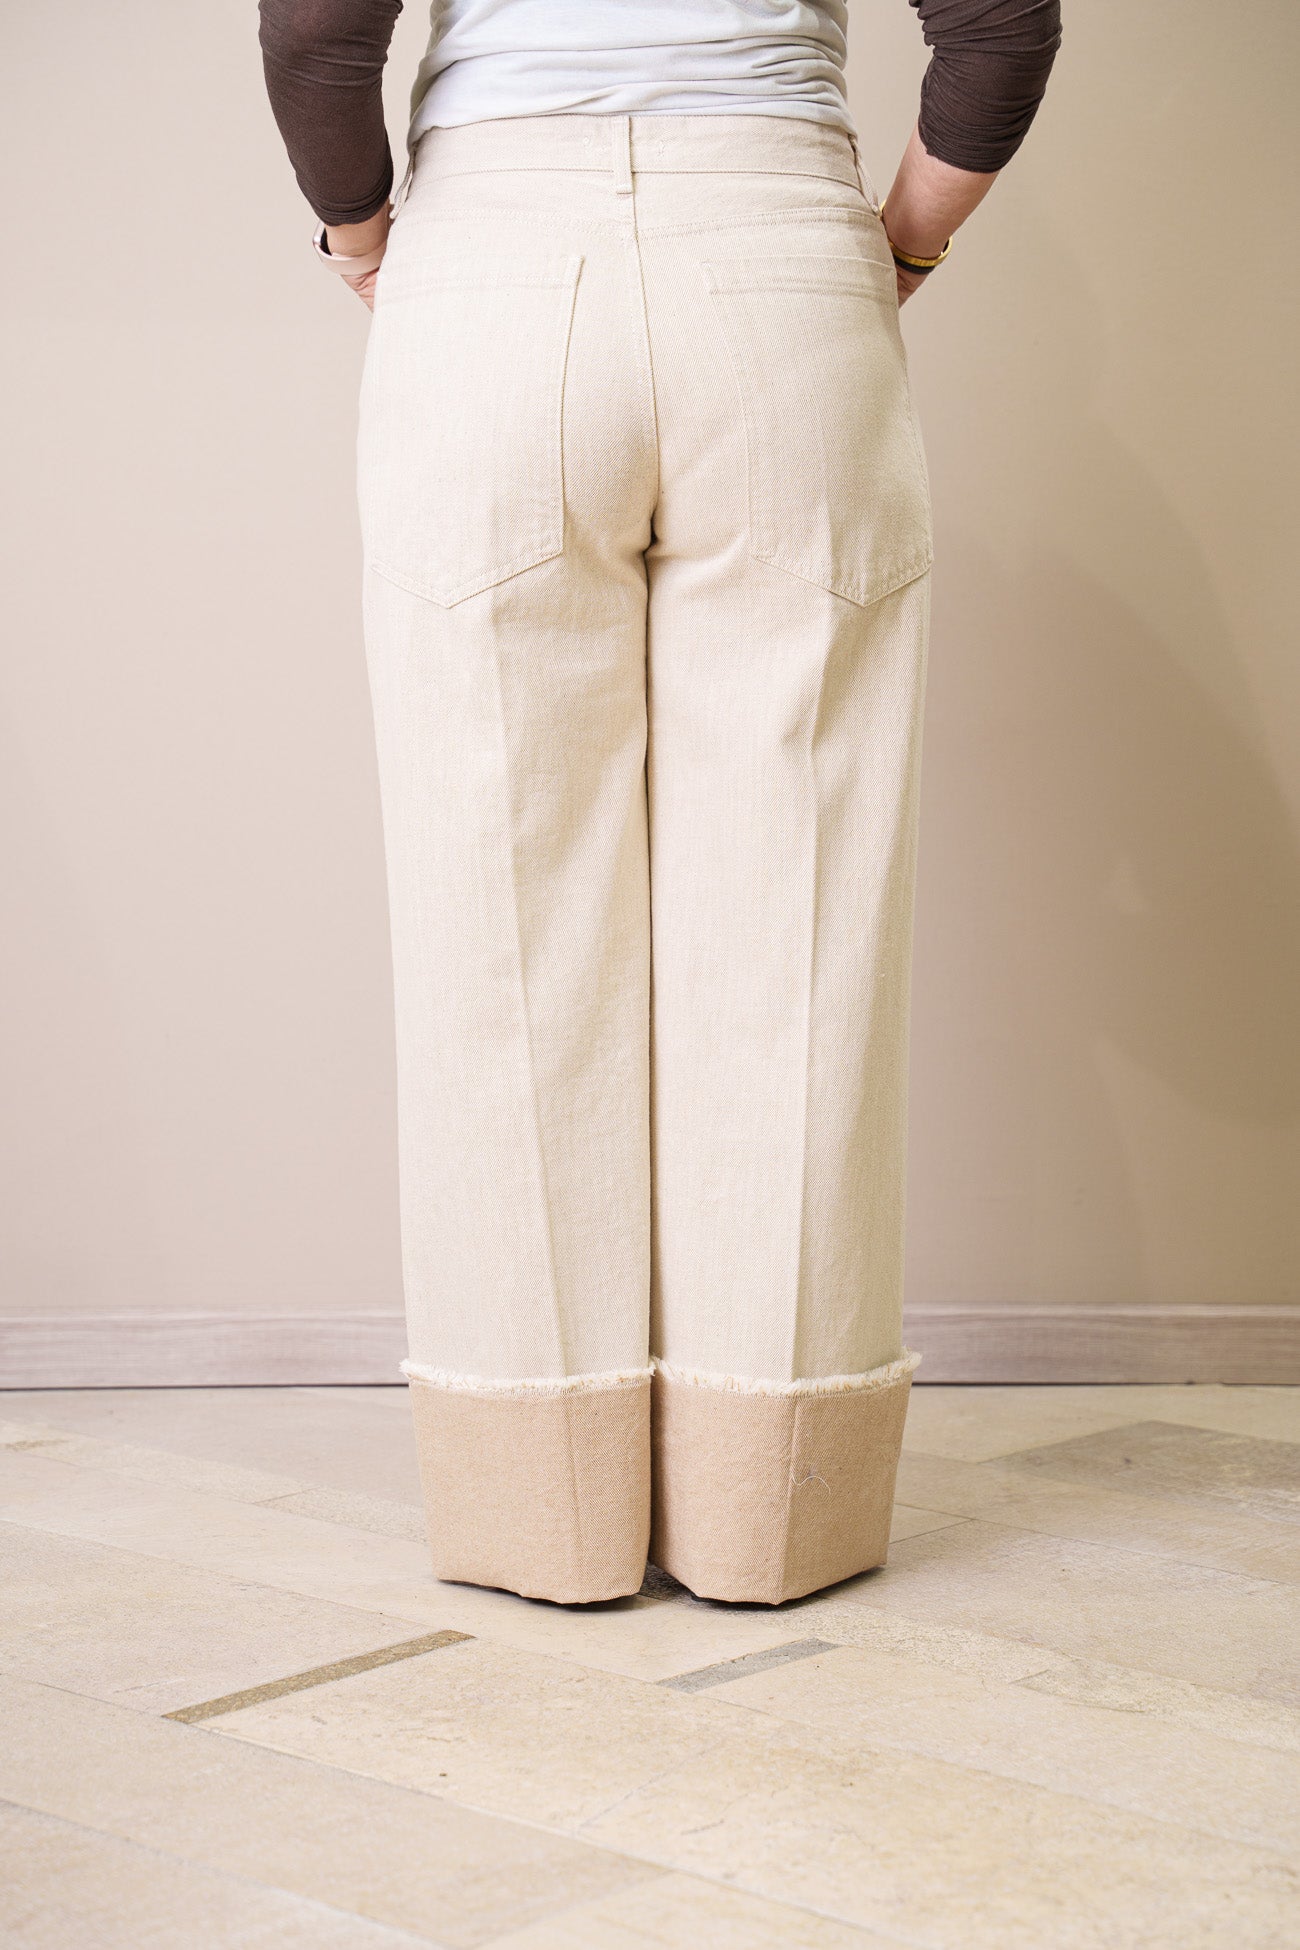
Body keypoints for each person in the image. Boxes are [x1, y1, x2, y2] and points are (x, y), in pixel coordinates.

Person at [259, 0, 1061, 1606]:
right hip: (779, 258)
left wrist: (362, 236)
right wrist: (903, 244)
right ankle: (776, 1510)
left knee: (501, 906)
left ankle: (536, 1510)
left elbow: (315, 37)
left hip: (488, 263)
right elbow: (1003, 25)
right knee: (796, 907)